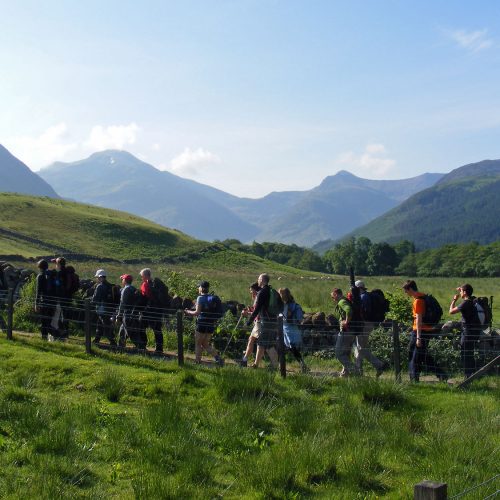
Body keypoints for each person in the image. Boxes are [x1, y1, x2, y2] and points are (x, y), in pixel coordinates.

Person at [402, 280, 448, 383]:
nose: (406, 293)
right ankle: (441, 374)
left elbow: (419, 319)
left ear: (410, 289)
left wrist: (418, 337)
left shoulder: (418, 301)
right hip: (427, 330)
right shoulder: (424, 297)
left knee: (414, 356)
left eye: (406, 291)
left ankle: (414, 380)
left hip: (420, 332)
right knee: (422, 355)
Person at [246, 273, 282, 369]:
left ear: (262, 280)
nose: (257, 280)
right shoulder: (273, 291)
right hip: (274, 321)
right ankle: (255, 365)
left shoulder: (262, 292)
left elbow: (257, 309)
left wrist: (249, 321)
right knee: (262, 343)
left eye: (258, 279)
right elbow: (281, 306)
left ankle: (275, 366)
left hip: (265, 321)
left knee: (268, 344)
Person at [184, 281, 224, 366]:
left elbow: (197, 313)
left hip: (201, 323)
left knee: (198, 343)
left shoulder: (200, 298)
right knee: (205, 344)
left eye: (199, 287)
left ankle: (197, 362)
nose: (198, 288)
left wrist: (187, 311)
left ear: (201, 288)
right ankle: (218, 358)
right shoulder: (212, 298)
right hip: (210, 324)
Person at [354, 280, 388, 377]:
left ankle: (360, 371)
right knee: (361, 347)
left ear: (358, 288)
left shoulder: (363, 297)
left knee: (360, 347)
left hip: (364, 324)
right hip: (369, 324)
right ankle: (377, 365)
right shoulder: (366, 296)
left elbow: (365, 312)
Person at [449, 284, 482, 378]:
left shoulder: (465, 303)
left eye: (461, 291)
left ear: (465, 292)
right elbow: (466, 291)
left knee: (465, 354)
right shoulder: (472, 300)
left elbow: (451, 311)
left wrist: (454, 300)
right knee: (470, 353)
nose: (459, 292)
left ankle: (468, 377)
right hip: (475, 332)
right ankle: (473, 375)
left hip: (468, 332)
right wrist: (462, 289)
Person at [279, 287, 308, 373]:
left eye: (280, 294)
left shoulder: (294, 306)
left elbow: (299, 319)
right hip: (284, 328)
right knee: (286, 347)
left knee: (292, 347)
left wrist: (292, 317)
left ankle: (302, 365)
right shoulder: (282, 305)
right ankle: (281, 365)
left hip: (291, 328)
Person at [331, 287, 359, 377]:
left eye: (333, 297)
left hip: (346, 331)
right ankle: (345, 373)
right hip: (351, 331)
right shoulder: (345, 300)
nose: (333, 299)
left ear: (336, 294)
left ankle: (355, 371)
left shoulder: (342, 301)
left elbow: (348, 310)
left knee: (339, 353)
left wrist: (346, 322)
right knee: (346, 353)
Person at [138, 268, 164, 353]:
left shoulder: (146, 284)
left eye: (142, 276)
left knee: (141, 327)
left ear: (145, 276)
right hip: (157, 310)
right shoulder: (155, 284)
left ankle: (143, 345)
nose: (141, 278)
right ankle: (159, 349)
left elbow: (145, 296)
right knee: (157, 329)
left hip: (147, 310)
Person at [92, 269, 116, 346]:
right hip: (110, 309)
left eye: (97, 278)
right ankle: (96, 339)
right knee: (100, 324)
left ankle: (113, 342)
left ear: (100, 277)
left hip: (102, 309)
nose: (97, 279)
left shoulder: (100, 286)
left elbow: (95, 298)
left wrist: (90, 301)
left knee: (106, 326)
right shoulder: (110, 285)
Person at [240, 282, 261, 367]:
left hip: (259, 322)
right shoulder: (258, 297)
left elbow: (257, 312)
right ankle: (246, 360)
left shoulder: (258, 298)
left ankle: (246, 360)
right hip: (258, 322)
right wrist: (250, 310)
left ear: (255, 290)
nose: (250, 292)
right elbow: (255, 310)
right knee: (252, 340)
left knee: (262, 344)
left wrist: (247, 313)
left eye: (251, 290)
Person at [116, 274, 138, 348]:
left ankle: (141, 347)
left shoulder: (125, 290)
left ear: (125, 280)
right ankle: (120, 347)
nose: (122, 281)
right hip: (133, 313)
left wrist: (119, 315)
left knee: (130, 333)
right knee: (122, 331)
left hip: (127, 314)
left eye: (122, 279)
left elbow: (122, 304)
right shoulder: (133, 288)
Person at [34, 259, 54, 340]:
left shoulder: (40, 276)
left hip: (43, 301)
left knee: (43, 321)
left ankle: (44, 337)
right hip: (52, 301)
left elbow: (38, 291)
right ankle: (54, 335)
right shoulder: (51, 275)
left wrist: (36, 303)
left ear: (39, 267)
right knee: (49, 320)